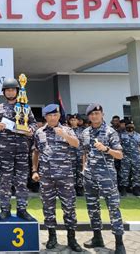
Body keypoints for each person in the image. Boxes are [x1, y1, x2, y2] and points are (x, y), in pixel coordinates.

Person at [31, 104, 82, 252]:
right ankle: (52, 237)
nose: (53, 117)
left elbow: (77, 144)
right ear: (45, 117)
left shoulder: (67, 130)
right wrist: (35, 170)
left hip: (65, 177)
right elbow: (36, 152)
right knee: (48, 208)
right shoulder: (39, 132)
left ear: (59, 116)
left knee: (69, 208)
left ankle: (71, 239)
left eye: (55, 115)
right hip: (46, 177)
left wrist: (64, 135)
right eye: (50, 115)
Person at [0, 78, 37, 221]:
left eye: (13, 89)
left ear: (17, 91)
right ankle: (5, 209)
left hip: (22, 149)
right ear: (4, 92)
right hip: (5, 150)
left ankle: (22, 209)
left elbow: (34, 124)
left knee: (22, 181)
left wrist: (31, 130)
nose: (10, 92)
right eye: (8, 90)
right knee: (5, 181)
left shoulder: (25, 108)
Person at [81, 103, 126, 254]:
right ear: (88, 116)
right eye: (91, 114)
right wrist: (83, 168)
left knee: (113, 208)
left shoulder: (110, 132)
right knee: (93, 208)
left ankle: (119, 243)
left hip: (107, 177)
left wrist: (106, 149)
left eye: (97, 113)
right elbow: (85, 152)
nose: (94, 116)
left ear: (102, 114)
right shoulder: (85, 132)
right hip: (89, 177)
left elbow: (120, 155)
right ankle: (97, 237)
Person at [119, 121, 140, 196]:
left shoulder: (138, 135)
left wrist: (139, 152)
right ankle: (123, 189)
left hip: (136, 157)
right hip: (125, 157)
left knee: (137, 173)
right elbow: (118, 145)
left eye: (132, 125)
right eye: (129, 125)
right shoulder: (122, 135)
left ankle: (136, 189)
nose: (130, 127)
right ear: (126, 126)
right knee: (124, 173)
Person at [68, 114, 84, 196]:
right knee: (71, 171)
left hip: (80, 154)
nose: (73, 121)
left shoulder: (82, 131)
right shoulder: (67, 130)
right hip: (71, 154)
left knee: (80, 171)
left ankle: (80, 187)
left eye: (75, 120)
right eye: (72, 120)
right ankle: (73, 187)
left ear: (78, 121)